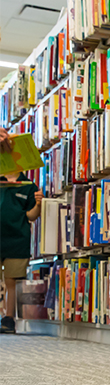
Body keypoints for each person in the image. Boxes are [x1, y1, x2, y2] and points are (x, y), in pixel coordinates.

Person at [0, 127, 43, 334]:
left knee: (11, 281)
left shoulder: (28, 185)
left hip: (17, 240)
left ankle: (8, 319)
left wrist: (38, 204)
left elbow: (31, 216)